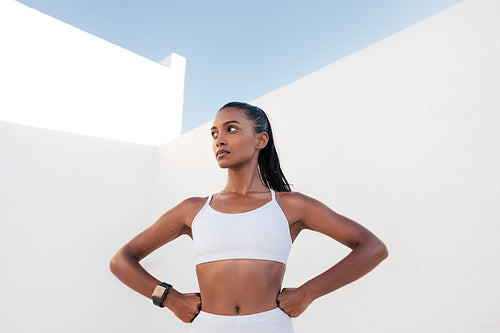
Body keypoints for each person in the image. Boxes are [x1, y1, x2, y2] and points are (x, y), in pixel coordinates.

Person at [109, 101, 388, 332]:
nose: (220, 139)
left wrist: (308, 292)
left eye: (231, 129)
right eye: (214, 133)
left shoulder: (291, 205)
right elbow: (122, 260)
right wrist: (169, 298)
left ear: (260, 140)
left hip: (270, 325)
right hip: (208, 326)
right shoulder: (193, 209)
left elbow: (372, 248)